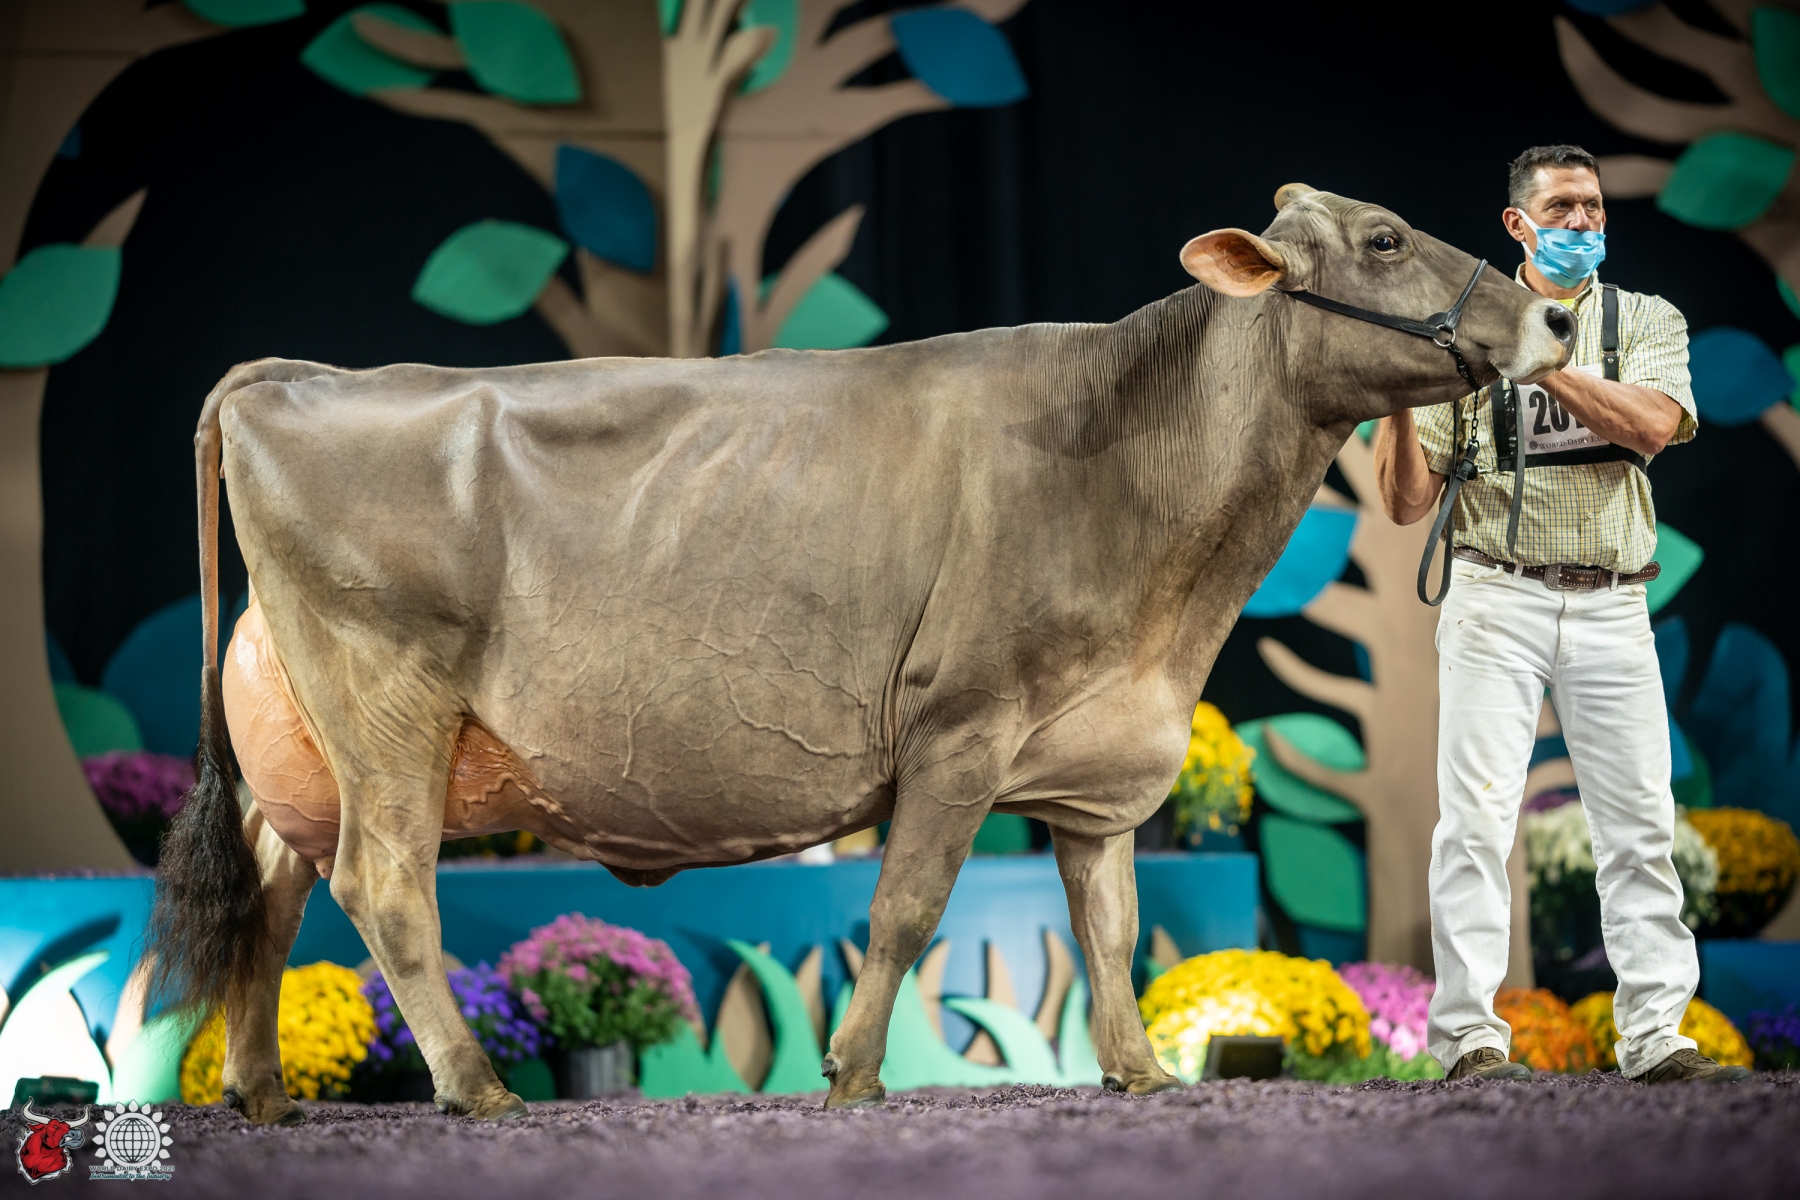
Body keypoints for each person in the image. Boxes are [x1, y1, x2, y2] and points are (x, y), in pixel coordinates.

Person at [1374, 144, 1748, 1084]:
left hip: (1614, 600)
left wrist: (1535, 360)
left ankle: (1656, 1038)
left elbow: (1652, 426)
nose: (1584, 222)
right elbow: (1406, 503)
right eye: (1563, 208)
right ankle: (1470, 1039)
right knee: (1473, 825)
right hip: (1495, 593)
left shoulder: (1644, 318)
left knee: (1639, 826)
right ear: (1518, 224)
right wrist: (1398, 392)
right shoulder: (1464, 331)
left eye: (1593, 206)